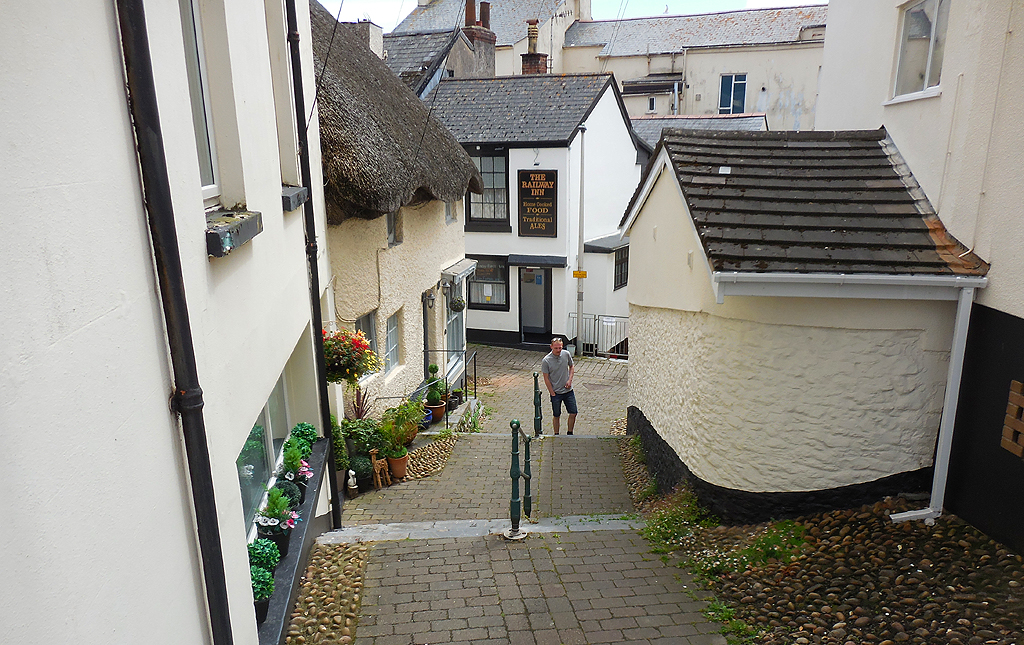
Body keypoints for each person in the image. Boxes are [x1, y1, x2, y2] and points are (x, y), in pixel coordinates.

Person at [541, 337, 576, 435]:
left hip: (568, 391)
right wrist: (552, 392)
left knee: (573, 412)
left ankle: (570, 432)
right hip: (556, 392)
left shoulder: (566, 354)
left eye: (560, 348)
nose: (558, 350)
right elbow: (546, 378)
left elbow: (572, 366)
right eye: (556, 348)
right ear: (551, 347)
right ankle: (556, 433)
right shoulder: (546, 361)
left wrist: (570, 380)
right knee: (556, 414)